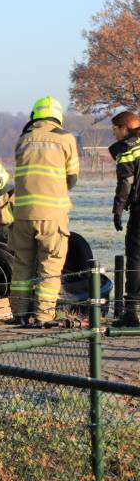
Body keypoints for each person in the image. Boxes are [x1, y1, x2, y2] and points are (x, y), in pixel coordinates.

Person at [10, 96, 79, 325]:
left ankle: (19, 314)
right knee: (50, 265)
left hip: (22, 215)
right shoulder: (66, 138)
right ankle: (43, 315)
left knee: (22, 266)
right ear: (57, 116)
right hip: (52, 217)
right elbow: (72, 177)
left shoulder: (23, 139)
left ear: (34, 116)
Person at [109, 110, 140, 326]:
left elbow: (126, 183)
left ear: (124, 128)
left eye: (115, 129)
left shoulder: (128, 149)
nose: (114, 135)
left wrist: (118, 210)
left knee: (136, 258)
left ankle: (132, 312)